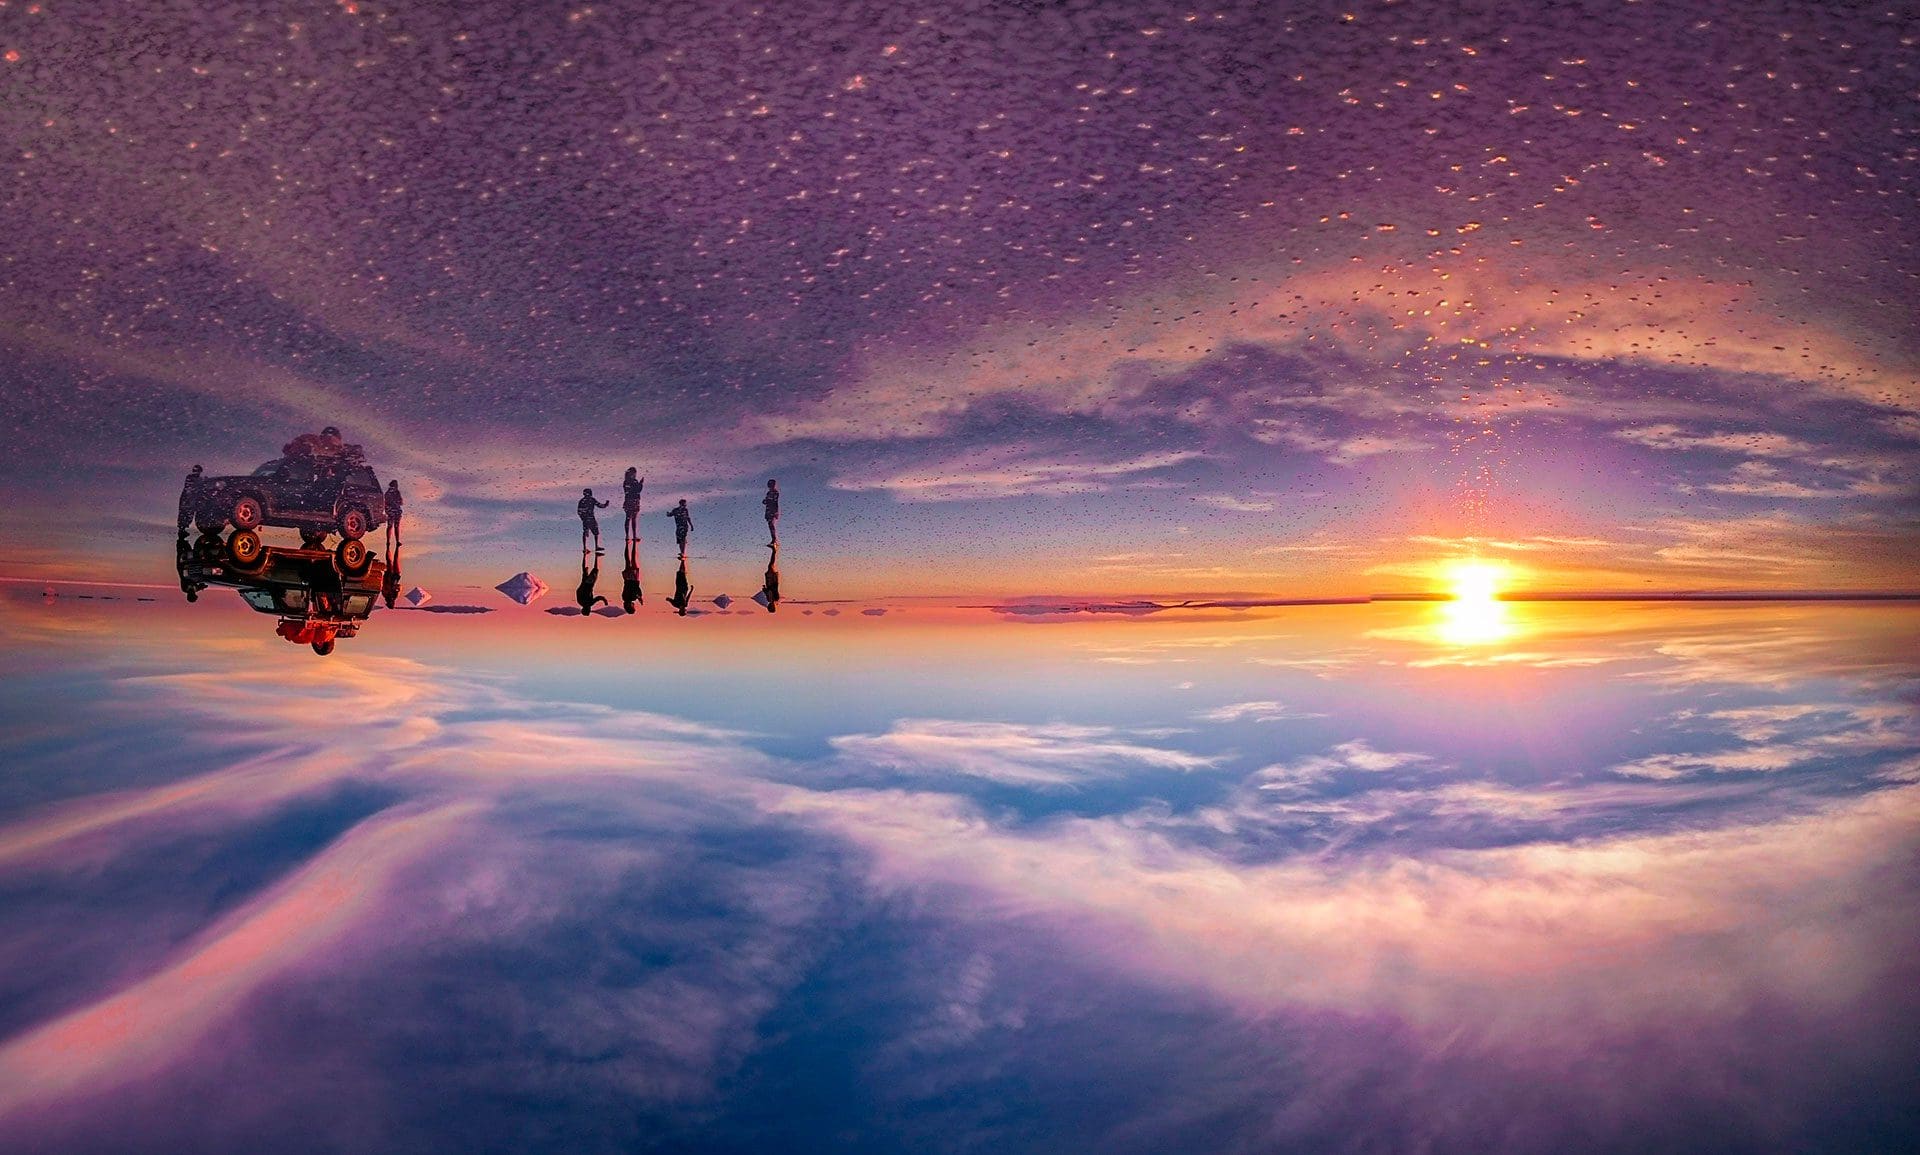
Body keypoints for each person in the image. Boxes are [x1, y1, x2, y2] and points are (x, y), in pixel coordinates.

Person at [578, 487, 609, 552]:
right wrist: (605, 505)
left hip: (588, 518)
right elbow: (600, 505)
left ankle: (587, 547)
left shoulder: (583, 501)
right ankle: (590, 547)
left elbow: (579, 512)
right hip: (589, 518)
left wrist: (605, 505)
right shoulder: (590, 500)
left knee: (590, 532)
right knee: (591, 532)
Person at [177, 464, 204, 535]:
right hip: (187, 499)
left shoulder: (199, 479)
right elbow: (189, 488)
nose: (196, 472)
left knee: (189, 514)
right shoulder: (190, 477)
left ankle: (183, 528)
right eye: (196, 471)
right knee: (184, 513)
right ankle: (181, 529)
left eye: (198, 471)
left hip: (192, 499)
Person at [622, 467, 645, 541]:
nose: (635, 475)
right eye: (634, 473)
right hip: (633, 501)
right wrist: (640, 484)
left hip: (629, 501)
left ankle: (628, 536)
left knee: (629, 518)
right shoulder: (631, 481)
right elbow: (637, 490)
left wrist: (639, 484)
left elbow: (633, 490)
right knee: (632, 518)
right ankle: (632, 536)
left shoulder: (626, 481)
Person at [621, 538, 643, 614]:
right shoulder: (624, 598)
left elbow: (636, 589)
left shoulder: (632, 598)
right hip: (627, 579)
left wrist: (639, 596)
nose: (634, 606)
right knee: (628, 560)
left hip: (633, 579)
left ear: (631, 606)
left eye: (633, 607)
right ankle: (628, 544)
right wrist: (639, 597)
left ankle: (634, 543)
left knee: (633, 559)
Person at [384, 479, 404, 548]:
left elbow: (386, 503)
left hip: (391, 511)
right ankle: (396, 541)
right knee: (396, 526)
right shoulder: (396, 492)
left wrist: (387, 510)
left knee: (390, 526)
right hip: (396, 511)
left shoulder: (387, 493)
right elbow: (401, 502)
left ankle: (388, 541)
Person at [760, 545, 780, 613]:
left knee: (770, 566)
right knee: (771, 566)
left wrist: (764, 589)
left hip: (769, 582)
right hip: (772, 581)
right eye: (770, 607)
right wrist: (767, 589)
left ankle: (774, 550)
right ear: (772, 606)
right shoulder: (776, 598)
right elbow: (774, 589)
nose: (768, 605)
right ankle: (774, 550)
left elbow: (767, 592)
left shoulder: (769, 600)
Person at [762, 479, 780, 545]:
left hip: (773, 510)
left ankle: (774, 540)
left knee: (772, 525)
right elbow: (767, 501)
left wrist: (776, 512)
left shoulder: (775, 492)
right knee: (770, 525)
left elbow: (774, 502)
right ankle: (773, 539)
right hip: (768, 511)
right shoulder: (768, 493)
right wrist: (765, 501)